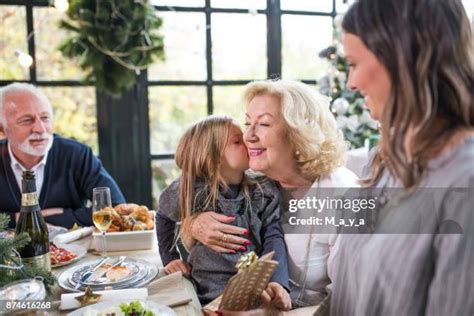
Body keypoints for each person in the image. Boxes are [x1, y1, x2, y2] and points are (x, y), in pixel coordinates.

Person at [326, 0, 474, 315]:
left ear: (401, 59)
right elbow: (347, 290)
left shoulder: (465, 183)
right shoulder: (382, 160)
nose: (351, 83)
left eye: (353, 63)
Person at [183, 80, 359, 310]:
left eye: (264, 124)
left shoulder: (347, 195)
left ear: (299, 135)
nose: (248, 135)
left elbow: (350, 302)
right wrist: (193, 223)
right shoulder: (256, 180)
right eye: (247, 123)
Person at [155, 115, 291, 307]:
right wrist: (170, 258)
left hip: (254, 289)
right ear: (213, 158)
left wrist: (279, 282)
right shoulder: (190, 189)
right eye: (237, 141)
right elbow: (163, 216)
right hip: (206, 293)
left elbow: (273, 236)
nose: (247, 141)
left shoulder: (263, 188)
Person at [0, 82, 125, 229]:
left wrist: (62, 217)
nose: (40, 129)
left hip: (76, 250)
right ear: (2, 129)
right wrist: (26, 218)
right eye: (27, 120)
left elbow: (116, 208)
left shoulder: (77, 155)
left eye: (45, 118)